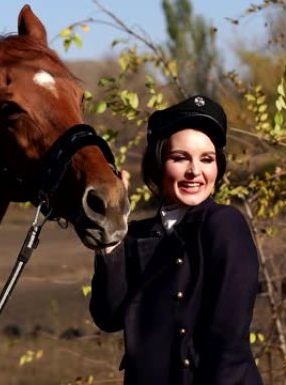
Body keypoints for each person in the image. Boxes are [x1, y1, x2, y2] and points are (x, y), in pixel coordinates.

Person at [89, 95, 263, 385]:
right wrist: (112, 230)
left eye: (206, 159)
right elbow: (109, 316)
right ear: (158, 163)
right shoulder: (137, 235)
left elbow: (228, 345)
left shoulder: (224, 225)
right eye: (180, 158)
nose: (195, 171)